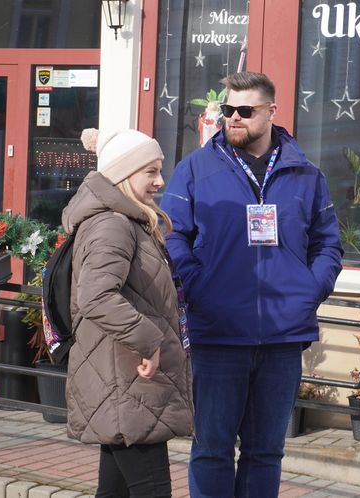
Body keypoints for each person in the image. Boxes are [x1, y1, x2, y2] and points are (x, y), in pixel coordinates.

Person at [160, 71, 343, 497]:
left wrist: (309, 292)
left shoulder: (306, 174)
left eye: (245, 110)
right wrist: (198, 287)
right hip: (218, 336)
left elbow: (327, 242)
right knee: (212, 449)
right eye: (228, 110)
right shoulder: (195, 169)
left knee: (266, 452)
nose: (234, 118)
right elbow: (170, 235)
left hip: (282, 336)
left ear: (271, 112)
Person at [63, 128, 193, 497]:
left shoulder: (126, 221)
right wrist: (150, 341)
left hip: (123, 383)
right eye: (150, 171)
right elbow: (96, 296)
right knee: (152, 490)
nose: (160, 181)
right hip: (126, 380)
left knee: (116, 491)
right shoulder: (112, 225)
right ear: (123, 173)